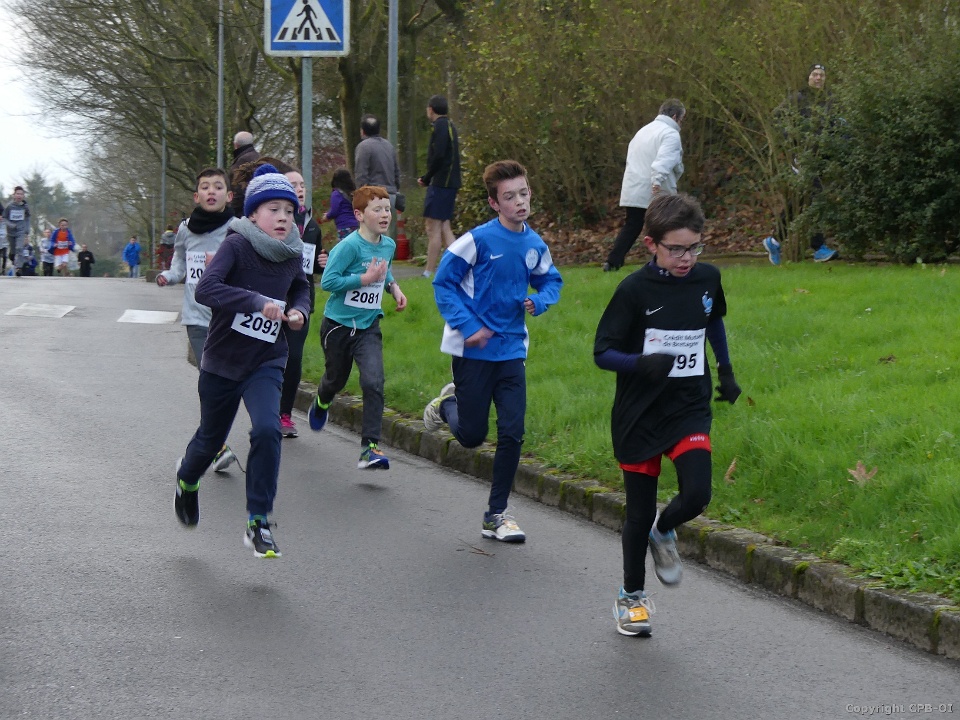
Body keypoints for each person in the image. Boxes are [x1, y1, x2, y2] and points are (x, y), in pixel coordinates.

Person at [593, 193, 742, 637]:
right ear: (651, 244)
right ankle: (631, 598)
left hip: (688, 406)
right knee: (637, 514)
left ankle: (666, 531)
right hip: (640, 412)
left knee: (697, 494)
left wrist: (726, 370)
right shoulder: (633, 291)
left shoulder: (707, 278)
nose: (686, 258)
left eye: (694, 247)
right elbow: (602, 353)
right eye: (676, 249)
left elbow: (713, 320)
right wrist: (641, 363)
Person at [174, 163, 311, 559]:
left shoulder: (292, 252)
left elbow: (301, 288)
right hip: (224, 361)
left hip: (266, 359)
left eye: (289, 210)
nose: (283, 217)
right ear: (252, 214)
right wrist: (255, 301)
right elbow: (207, 289)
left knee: (268, 429)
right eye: (274, 209)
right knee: (209, 440)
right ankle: (186, 480)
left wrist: (300, 311)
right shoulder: (236, 245)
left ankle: (258, 521)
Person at [422, 160, 563, 542]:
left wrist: (540, 300)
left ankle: (496, 514)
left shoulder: (534, 244)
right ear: (494, 203)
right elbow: (443, 284)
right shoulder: (477, 240)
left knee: (513, 432)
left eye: (524, 193)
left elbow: (551, 280)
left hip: (512, 350)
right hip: (473, 353)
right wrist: (468, 327)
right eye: (510, 197)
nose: (520, 202)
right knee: (471, 436)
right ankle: (447, 405)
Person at [306, 185, 407, 470]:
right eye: (377, 210)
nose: (385, 215)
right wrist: (363, 279)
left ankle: (369, 448)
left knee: (373, 381)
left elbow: (385, 269)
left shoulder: (388, 245)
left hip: (368, 326)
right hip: (338, 326)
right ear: (360, 215)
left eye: (387, 209)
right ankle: (322, 400)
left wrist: (393, 288)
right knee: (335, 380)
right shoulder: (348, 247)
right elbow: (328, 281)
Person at [157, 167, 239, 474]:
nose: (211, 191)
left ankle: (212, 440)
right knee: (209, 381)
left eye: (217, 186)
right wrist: (168, 275)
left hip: (228, 317)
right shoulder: (186, 229)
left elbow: (247, 268)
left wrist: (221, 265)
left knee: (225, 384)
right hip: (197, 317)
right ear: (196, 196)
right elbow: (180, 262)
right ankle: (217, 445)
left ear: (229, 195)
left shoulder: (238, 228)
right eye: (205, 187)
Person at [603, 99, 686, 272]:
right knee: (666, 226)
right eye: (681, 119)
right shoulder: (670, 134)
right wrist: (657, 180)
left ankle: (612, 262)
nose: (681, 124)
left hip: (633, 187)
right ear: (675, 116)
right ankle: (665, 261)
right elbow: (665, 160)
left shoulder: (642, 132)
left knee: (633, 225)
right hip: (656, 189)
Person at [766, 63, 837, 264]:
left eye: (821, 75)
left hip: (820, 158)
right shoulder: (797, 99)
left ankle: (775, 240)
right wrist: (792, 140)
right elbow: (776, 117)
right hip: (802, 158)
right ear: (808, 78)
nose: (818, 78)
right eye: (815, 74)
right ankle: (818, 248)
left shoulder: (828, 101)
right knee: (816, 197)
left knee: (803, 201)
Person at [280, 166, 328, 438]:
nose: (299, 189)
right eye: (293, 185)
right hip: (274, 296)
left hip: (301, 299)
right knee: (269, 357)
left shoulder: (312, 226)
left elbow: (313, 267)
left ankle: (284, 414)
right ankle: (267, 409)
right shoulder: (272, 221)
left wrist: (323, 262)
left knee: (294, 357)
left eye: (302, 185)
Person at [418, 95, 462, 278]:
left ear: (431, 109)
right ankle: (460, 266)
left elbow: (439, 156)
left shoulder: (441, 127)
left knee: (433, 227)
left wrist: (427, 178)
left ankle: (429, 271)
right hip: (449, 183)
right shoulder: (450, 126)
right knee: (444, 226)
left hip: (441, 184)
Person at [353, 115, 400, 236]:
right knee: (386, 233)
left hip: (373, 196)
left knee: (370, 235)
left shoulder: (363, 147)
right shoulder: (389, 146)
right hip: (390, 196)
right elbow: (396, 172)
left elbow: (361, 175)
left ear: (362, 131)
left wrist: (359, 197)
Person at [321, 167, 359, 240]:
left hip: (344, 226)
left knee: (345, 246)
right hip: (356, 225)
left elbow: (334, 211)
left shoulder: (336, 194)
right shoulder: (353, 194)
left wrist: (327, 216)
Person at [229, 130, 260, 217]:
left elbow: (238, 189)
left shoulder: (241, 161)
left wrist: (231, 211)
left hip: (243, 212)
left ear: (235, 145)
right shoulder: (259, 158)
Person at [4, 186, 31, 272]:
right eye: (17, 194)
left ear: (23, 196)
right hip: (11, 232)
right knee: (13, 250)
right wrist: (11, 225)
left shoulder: (25, 207)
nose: (19, 196)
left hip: (21, 231)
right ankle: (11, 255)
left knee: (19, 248)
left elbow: (28, 217)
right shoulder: (9, 206)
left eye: (21, 194)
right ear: (14, 195)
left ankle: (19, 268)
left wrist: (27, 229)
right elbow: (4, 218)